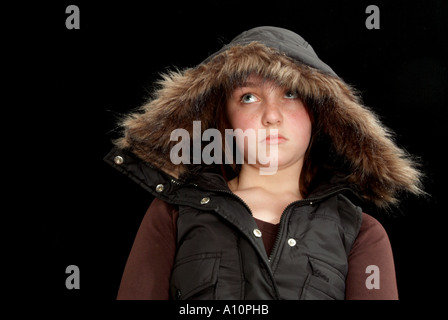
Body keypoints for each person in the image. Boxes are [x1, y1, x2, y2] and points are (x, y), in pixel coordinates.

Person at [104, 26, 423, 300]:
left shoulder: (360, 233)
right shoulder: (173, 213)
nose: (272, 116)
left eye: (291, 94)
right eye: (248, 97)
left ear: (319, 113)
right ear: (225, 119)